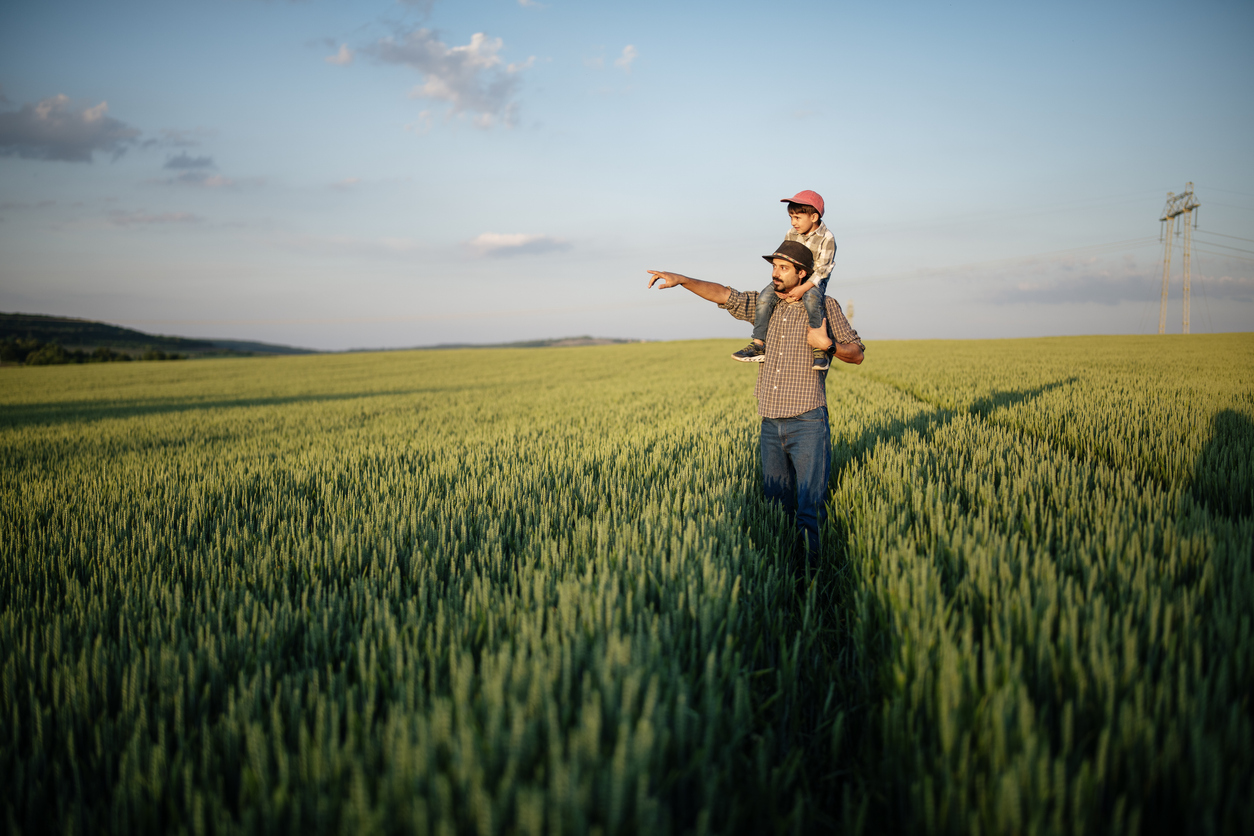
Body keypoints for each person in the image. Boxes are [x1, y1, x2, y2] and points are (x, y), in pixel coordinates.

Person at [647, 241, 864, 568]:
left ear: (802, 273)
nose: (775, 274)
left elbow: (857, 354)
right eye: (773, 267)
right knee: (777, 508)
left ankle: (813, 583)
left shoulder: (825, 307)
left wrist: (828, 345)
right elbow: (723, 294)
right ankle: (783, 574)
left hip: (808, 422)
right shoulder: (766, 305)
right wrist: (683, 280)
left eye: (783, 268)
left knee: (809, 508)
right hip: (770, 425)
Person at [731, 190, 837, 371]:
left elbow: (823, 270)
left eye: (797, 217)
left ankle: (819, 349)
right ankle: (758, 344)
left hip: (813, 281)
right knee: (765, 297)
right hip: (791, 278)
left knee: (812, 300)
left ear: (813, 217)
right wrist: (782, 285)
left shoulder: (827, 238)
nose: (793, 222)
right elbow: (784, 261)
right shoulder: (791, 233)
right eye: (791, 217)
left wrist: (802, 289)